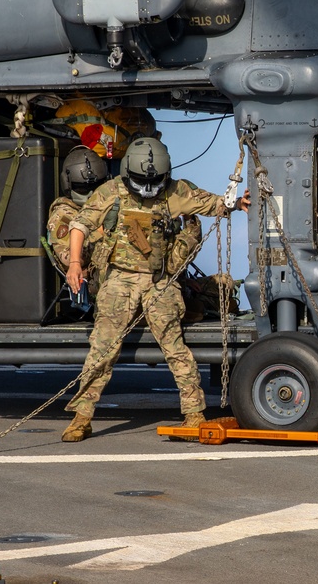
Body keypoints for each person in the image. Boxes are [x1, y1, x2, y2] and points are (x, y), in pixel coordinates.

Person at [60, 137, 249, 443]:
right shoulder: (110, 192)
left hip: (160, 281)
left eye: (155, 182)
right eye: (141, 182)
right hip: (120, 280)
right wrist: (75, 265)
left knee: (175, 348)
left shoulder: (177, 191)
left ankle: (193, 414)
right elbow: (80, 225)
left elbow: (214, 203)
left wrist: (238, 204)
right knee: (102, 349)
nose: (148, 189)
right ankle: (82, 417)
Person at [46, 146, 110, 297]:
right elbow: (69, 260)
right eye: (82, 189)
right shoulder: (63, 215)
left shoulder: (106, 206)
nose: (90, 194)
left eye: (96, 187)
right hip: (89, 277)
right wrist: (101, 232)